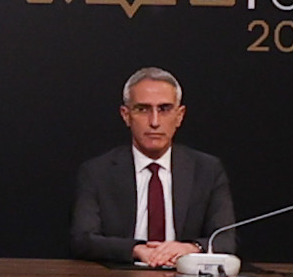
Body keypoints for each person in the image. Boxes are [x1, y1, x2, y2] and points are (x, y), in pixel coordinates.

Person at [70, 67, 231, 265]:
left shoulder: (207, 170)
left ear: (179, 116)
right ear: (126, 115)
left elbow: (226, 239)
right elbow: (83, 239)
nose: (154, 122)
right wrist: (136, 249)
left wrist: (189, 248)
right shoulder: (97, 172)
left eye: (164, 109)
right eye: (143, 109)